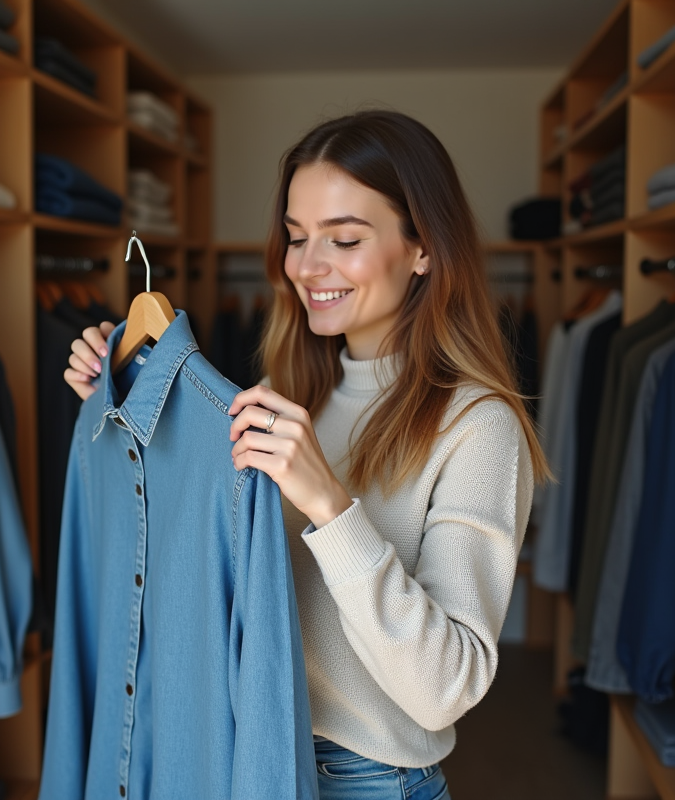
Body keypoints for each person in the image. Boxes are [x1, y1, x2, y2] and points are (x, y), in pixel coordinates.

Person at [64, 109, 549, 800]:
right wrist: (120, 398)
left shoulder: (477, 427)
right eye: (295, 238)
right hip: (239, 759)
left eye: (343, 238)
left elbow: (449, 687)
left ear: (424, 248)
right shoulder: (278, 396)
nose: (307, 266)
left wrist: (331, 506)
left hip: (364, 782)